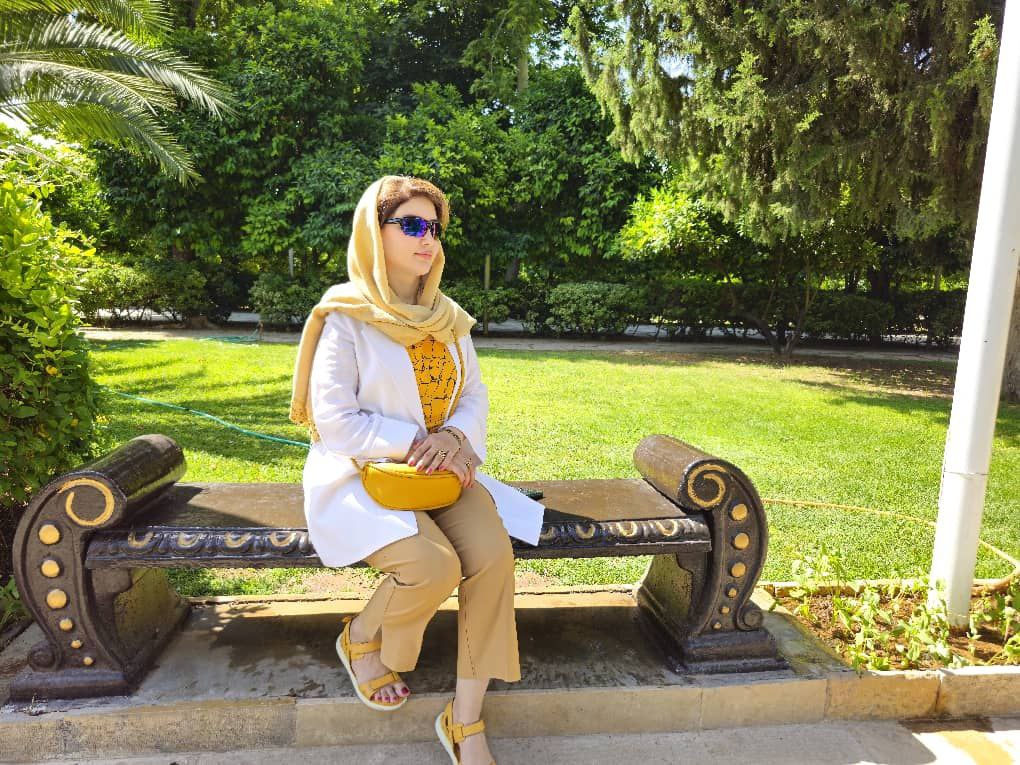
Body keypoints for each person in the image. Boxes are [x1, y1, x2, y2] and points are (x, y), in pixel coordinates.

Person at [288, 175, 545, 765]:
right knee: (433, 566)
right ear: (374, 232)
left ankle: (465, 720)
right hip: (364, 472)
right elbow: (335, 422)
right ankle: (361, 640)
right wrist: (415, 442)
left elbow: (472, 393)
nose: (427, 237)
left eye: (434, 226)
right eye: (410, 224)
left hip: (443, 470)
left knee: (493, 560)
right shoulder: (346, 316)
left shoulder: (447, 317)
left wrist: (455, 437)